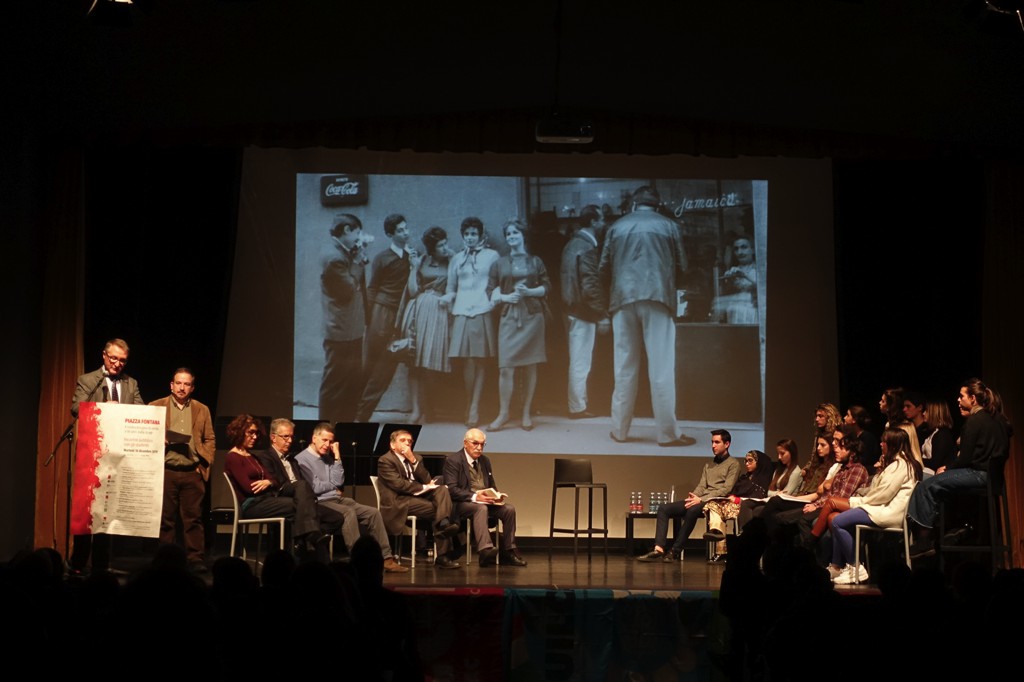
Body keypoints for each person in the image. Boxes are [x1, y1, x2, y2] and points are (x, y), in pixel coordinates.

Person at [598, 185, 694, 446]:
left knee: (624, 366)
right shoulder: (669, 225)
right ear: (657, 205)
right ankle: (667, 434)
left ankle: (619, 430)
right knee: (661, 368)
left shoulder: (616, 227)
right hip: (658, 297)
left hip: (622, 300)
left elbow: (603, 267)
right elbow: (683, 265)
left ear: (634, 204)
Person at [908, 378, 1011, 558]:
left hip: (979, 474)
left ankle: (924, 541)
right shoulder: (998, 418)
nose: (958, 399)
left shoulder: (975, 420)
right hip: (993, 477)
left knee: (926, 486)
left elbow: (965, 458)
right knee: (936, 486)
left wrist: (948, 468)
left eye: (962, 396)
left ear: (973, 398)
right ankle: (950, 530)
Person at [69, 338, 145, 576]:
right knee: (86, 512)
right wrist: (103, 408)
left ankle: (100, 566)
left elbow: (141, 411)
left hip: (116, 457)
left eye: (122, 360)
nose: (117, 364)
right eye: (113, 358)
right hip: (90, 455)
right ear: (104, 355)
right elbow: (76, 408)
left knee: (106, 512)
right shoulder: (88, 380)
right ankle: (78, 564)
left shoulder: (131, 383)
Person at [294, 422, 409, 573]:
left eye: (330, 441)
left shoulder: (328, 457)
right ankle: (357, 560)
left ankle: (386, 558)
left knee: (373, 513)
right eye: (324, 440)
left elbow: (339, 481)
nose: (327, 445)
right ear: (314, 438)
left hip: (336, 499)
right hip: (320, 502)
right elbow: (315, 488)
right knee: (348, 512)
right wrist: (333, 486)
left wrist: (337, 457)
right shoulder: (302, 459)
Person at [222, 414, 330, 559]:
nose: (255, 437)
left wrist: (268, 482)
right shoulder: (233, 457)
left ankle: (304, 544)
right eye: (251, 433)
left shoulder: (252, 456)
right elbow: (249, 488)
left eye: (256, 433)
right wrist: (269, 482)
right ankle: (305, 545)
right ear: (239, 432)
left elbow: (274, 480)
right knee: (301, 505)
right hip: (251, 505)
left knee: (302, 499)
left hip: (266, 500)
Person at [823, 427, 921, 584]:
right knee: (836, 517)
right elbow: (877, 489)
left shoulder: (900, 465)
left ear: (892, 444)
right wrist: (880, 471)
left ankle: (855, 567)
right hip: (879, 507)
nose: (881, 444)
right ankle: (837, 566)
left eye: (884, 442)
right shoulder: (895, 464)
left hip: (887, 511)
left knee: (837, 521)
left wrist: (857, 502)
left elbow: (883, 494)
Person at [149, 368, 216, 573]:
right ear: (171, 385)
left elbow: (209, 438)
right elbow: (145, 433)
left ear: (192, 388)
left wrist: (205, 462)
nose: (182, 387)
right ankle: (166, 560)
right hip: (166, 470)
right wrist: (158, 439)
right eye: (178, 383)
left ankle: (195, 559)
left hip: (191, 472)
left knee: (193, 519)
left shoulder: (201, 409)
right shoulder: (156, 406)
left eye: (186, 384)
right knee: (165, 519)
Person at [638, 429, 740, 562]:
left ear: (726, 444)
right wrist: (694, 496)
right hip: (701, 499)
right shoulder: (708, 465)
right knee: (664, 508)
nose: (713, 446)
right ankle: (659, 548)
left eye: (717, 442)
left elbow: (726, 489)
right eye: (712, 442)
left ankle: (675, 551)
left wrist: (700, 499)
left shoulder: (733, 464)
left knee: (692, 510)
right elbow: (702, 485)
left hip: (716, 501)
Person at [254, 418, 346, 564]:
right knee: (302, 485)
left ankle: (304, 539)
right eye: (285, 437)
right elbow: (273, 482)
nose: (290, 441)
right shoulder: (265, 457)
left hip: (301, 499)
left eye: (291, 437)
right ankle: (314, 551)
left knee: (337, 517)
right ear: (273, 438)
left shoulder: (293, 460)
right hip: (280, 496)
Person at [487, 219, 550, 432]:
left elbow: (547, 286)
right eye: (508, 234)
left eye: (515, 233)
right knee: (506, 368)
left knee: (531, 365)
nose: (511, 237)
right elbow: (490, 290)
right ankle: (504, 413)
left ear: (523, 235)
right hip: (509, 316)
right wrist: (506, 297)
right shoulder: (499, 263)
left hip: (532, 316)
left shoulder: (535, 261)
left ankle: (526, 413)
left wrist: (529, 292)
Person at [767, 426, 869, 549]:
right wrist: (816, 504)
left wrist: (816, 505)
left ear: (852, 452)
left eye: (841, 447)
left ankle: (806, 552)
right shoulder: (841, 469)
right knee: (779, 518)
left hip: (837, 509)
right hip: (823, 505)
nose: (835, 449)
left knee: (798, 520)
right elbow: (828, 494)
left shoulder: (857, 470)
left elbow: (840, 497)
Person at [356, 213, 414, 422]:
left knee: (387, 367)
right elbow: (372, 288)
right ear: (390, 234)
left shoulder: (412, 256)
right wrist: (368, 320)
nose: (405, 233)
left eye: (406, 228)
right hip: (382, 313)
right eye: (400, 230)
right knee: (370, 365)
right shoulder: (382, 258)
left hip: (402, 316)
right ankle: (357, 415)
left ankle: (361, 414)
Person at [376, 429, 462, 569]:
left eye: (410, 441)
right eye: (403, 440)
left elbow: (428, 479)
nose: (407, 443)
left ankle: (444, 524)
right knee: (441, 510)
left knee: (442, 489)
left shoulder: (417, 458)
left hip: (418, 498)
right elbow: (399, 485)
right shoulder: (385, 460)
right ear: (392, 445)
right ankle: (444, 553)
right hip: (399, 501)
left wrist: (413, 461)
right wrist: (423, 487)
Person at [442, 217, 499, 428]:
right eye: (466, 234)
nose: (470, 238)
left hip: (482, 310)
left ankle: (475, 407)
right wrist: (448, 303)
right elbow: (451, 287)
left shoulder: (492, 256)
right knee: (467, 361)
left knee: (480, 360)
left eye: (474, 234)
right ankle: (469, 402)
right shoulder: (457, 258)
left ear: (481, 235)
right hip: (461, 311)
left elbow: (496, 283)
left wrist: (493, 301)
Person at [442, 428, 527, 567]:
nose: (479, 447)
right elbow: (451, 490)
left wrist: (496, 496)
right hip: (462, 503)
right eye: (475, 443)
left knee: (509, 509)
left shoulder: (485, 460)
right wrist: (476, 496)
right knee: (480, 508)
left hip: (484, 501)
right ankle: (485, 549)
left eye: (482, 444)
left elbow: (491, 484)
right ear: (465, 443)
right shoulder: (453, 460)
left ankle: (509, 551)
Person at [319, 213, 370, 423]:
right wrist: (357, 261)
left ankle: (345, 425)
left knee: (351, 383)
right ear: (347, 230)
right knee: (335, 383)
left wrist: (357, 255)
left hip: (351, 329)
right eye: (357, 232)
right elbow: (347, 289)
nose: (358, 237)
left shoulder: (342, 252)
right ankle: (326, 427)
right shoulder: (334, 257)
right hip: (340, 331)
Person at [560, 204, 608, 420]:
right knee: (581, 362)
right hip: (583, 311)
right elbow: (590, 284)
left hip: (571, 309)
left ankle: (578, 404)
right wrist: (601, 313)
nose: (604, 223)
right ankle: (577, 407)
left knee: (577, 360)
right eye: (601, 219)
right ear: (593, 221)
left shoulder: (571, 244)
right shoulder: (587, 247)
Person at [403, 226, 453, 423]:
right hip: (420, 310)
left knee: (433, 363)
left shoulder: (452, 260)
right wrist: (413, 267)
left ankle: (429, 407)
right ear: (431, 249)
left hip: (441, 312)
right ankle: (416, 410)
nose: (444, 248)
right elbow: (413, 291)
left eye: (445, 243)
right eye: (440, 245)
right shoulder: (422, 260)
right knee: (415, 362)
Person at [702, 449, 774, 562]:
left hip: (744, 507)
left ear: (758, 462)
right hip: (731, 505)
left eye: (750, 461)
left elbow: (758, 497)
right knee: (712, 504)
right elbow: (735, 491)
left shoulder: (763, 479)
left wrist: (737, 499)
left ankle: (717, 534)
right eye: (745, 461)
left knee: (717, 509)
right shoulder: (744, 477)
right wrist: (729, 498)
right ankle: (717, 534)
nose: (747, 463)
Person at [738, 438, 802, 528]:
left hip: (785, 504)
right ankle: (746, 533)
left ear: (791, 453)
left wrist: (775, 494)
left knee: (755, 508)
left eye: (782, 453)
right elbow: (769, 491)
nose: (779, 457)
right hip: (773, 500)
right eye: (778, 453)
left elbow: (786, 495)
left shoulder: (796, 472)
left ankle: (748, 534)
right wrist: (776, 493)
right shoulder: (779, 470)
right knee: (747, 504)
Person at [713, 233, 758, 324]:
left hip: (754, 313)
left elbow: (763, 290)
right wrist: (730, 280)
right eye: (736, 249)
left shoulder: (760, 268)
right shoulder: (734, 270)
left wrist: (745, 276)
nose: (740, 252)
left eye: (744, 247)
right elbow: (727, 294)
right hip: (735, 314)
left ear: (753, 250)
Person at [921, 398, 958, 476]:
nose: (923, 413)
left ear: (934, 413)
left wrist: (917, 460)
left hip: (934, 475)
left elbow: (935, 463)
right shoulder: (932, 432)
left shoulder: (943, 435)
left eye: (926, 411)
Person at [843, 404, 880, 472]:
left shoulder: (868, 438)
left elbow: (866, 461)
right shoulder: (851, 437)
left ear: (854, 420)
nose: (844, 418)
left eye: (847, 415)